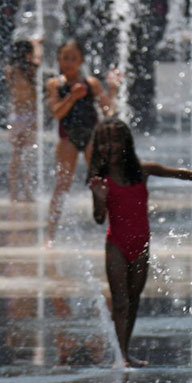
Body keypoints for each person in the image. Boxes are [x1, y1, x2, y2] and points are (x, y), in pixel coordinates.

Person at [87, 118, 192, 367]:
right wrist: (99, 199)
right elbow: (99, 219)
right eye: (104, 142)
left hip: (141, 246)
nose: (109, 147)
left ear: (125, 143)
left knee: (133, 300)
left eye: (115, 140)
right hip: (117, 245)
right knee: (120, 302)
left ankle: (125, 352)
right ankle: (120, 358)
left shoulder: (142, 170)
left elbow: (178, 173)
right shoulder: (101, 180)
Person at [46, 39, 118, 242]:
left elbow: (108, 111)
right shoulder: (55, 84)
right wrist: (72, 97)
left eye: (73, 58)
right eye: (65, 58)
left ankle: (115, 229)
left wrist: (112, 90)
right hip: (67, 138)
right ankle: (50, 235)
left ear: (81, 61)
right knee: (61, 186)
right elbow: (57, 113)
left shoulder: (91, 83)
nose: (68, 62)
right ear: (59, 60)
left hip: (91, 137)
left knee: (102, 183)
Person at [4, 40, 38, 203]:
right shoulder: (29, 69)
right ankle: (25, 191)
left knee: (18, 155)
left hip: (17, 115)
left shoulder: (11, 70)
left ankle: (14, 193)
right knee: (26, 156)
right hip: (28, 114)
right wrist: (37, 45)